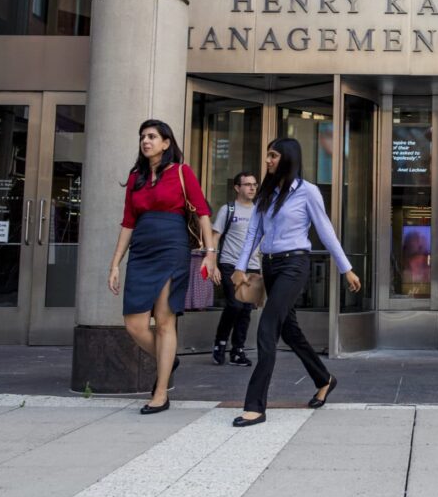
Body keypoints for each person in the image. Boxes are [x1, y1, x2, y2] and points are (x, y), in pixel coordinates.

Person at [231, 138, 361, 427]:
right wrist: (240, 267)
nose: (267, 160)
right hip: (270, 265)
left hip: (294, 264)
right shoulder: (266, 192)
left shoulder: (308, 192)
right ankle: (324, 378)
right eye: (267, 155)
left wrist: (346, 268)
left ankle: (254, 405)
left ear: (288, 158)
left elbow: (325, 230)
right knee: (289, 331)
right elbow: (253, 231)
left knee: (267, 327)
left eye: (273, 155)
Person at [107, 120, 218, 414]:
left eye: (152, 136)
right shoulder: (136, 177)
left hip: (172, 248)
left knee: (165, 321)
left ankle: (160, 392)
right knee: (135, 324)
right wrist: (115, 263)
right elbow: (128, 221)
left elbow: (203, 213)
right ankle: (168, 359)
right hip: (142, 250)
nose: (146, 141)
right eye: (143, 136)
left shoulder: (182, 172)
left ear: (166, 143)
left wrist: (210, 252)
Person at [211, 171, 260, 367]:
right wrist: (212, 263)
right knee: (235, 304)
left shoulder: (260, 211)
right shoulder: (228, 209)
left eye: (254, 184)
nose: (252, 188)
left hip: (253, 266)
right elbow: (215, 237)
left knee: (246, 309)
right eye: (247, 184)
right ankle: (220, 343)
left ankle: (237, 350)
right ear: (237, 188)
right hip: (230, 264)